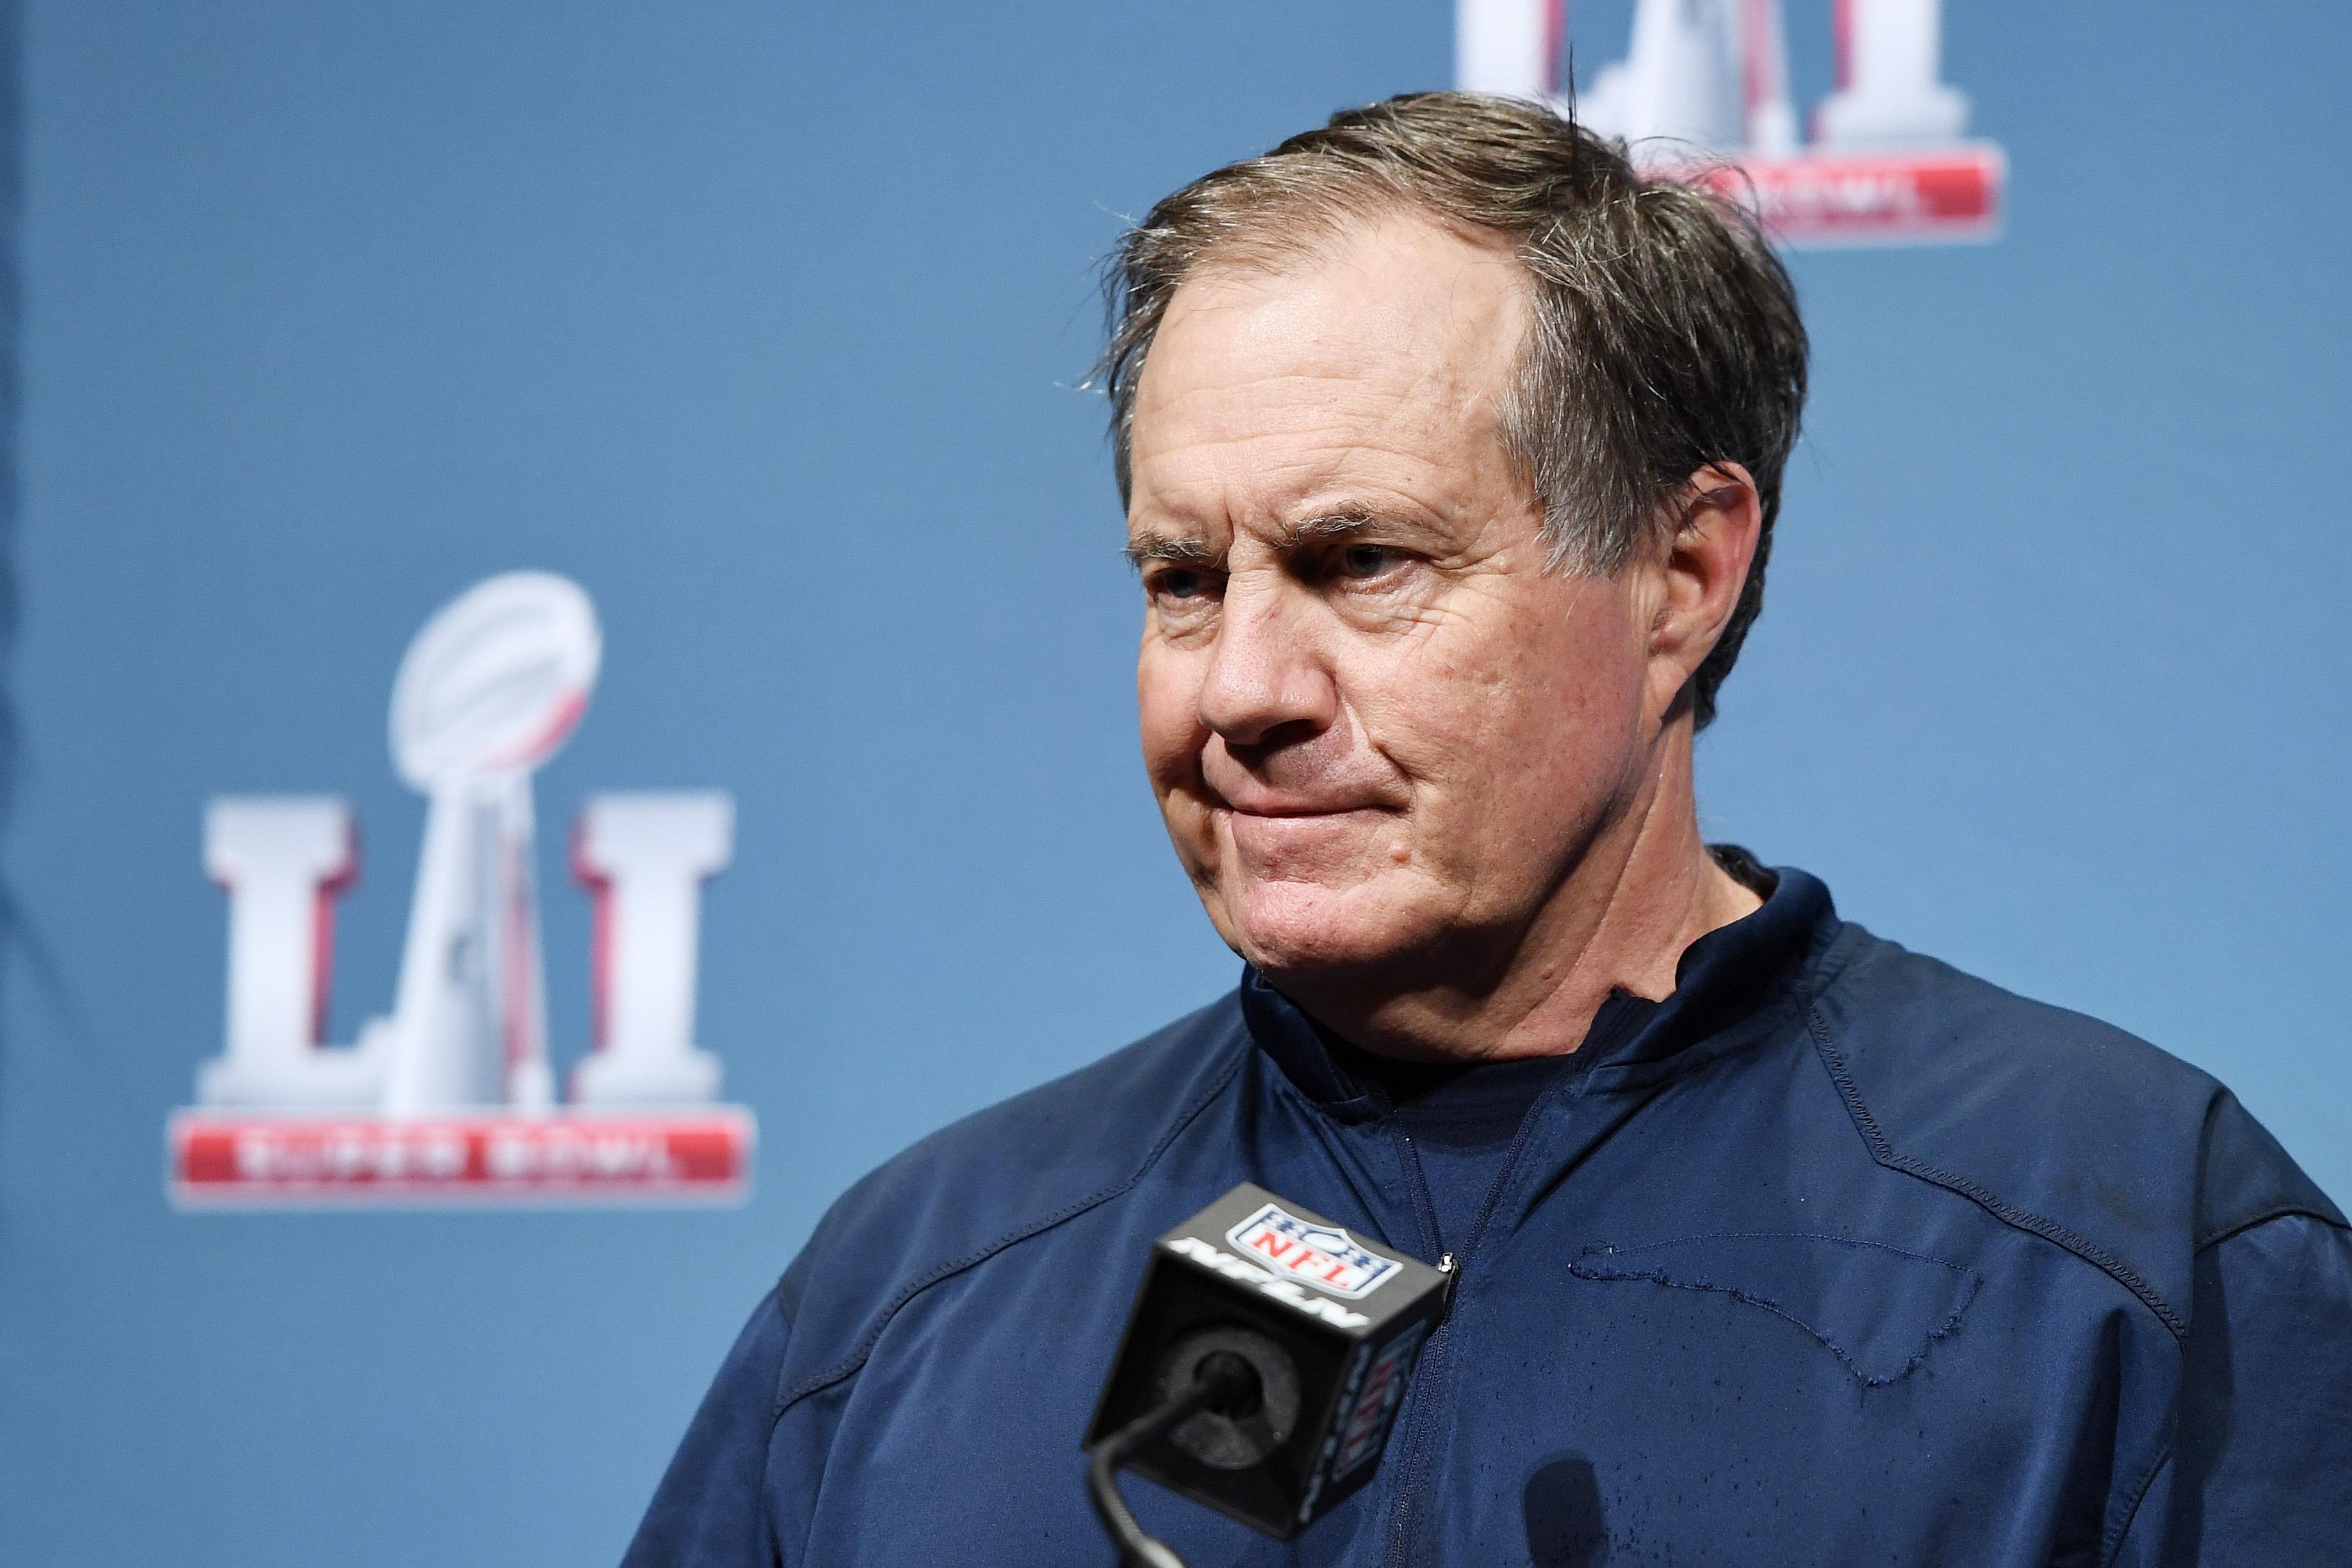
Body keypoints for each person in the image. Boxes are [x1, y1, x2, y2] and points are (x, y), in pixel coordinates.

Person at [624, 94, 2352, 1566]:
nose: (1242, 690)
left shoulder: (2120, 1249)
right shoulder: (910, 1296)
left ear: (1681, 573)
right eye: (1184, 580)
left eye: (1361, 561)